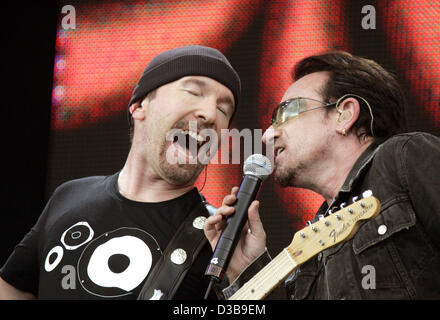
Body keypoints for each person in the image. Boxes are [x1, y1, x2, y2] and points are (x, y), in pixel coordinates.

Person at [0, 45, 241, 300]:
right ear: (139, 106)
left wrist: (241, 275)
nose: (211, 114)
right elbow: (12, 287)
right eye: (193, 92)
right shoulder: (69, 196)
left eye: (224, 110)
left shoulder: (218, 240)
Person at [205, 51, 440, 299]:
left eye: (285, 112)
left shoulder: (402, 158)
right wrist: (247, 270)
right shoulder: (313, 244)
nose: (268, 135)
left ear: (344, 114)